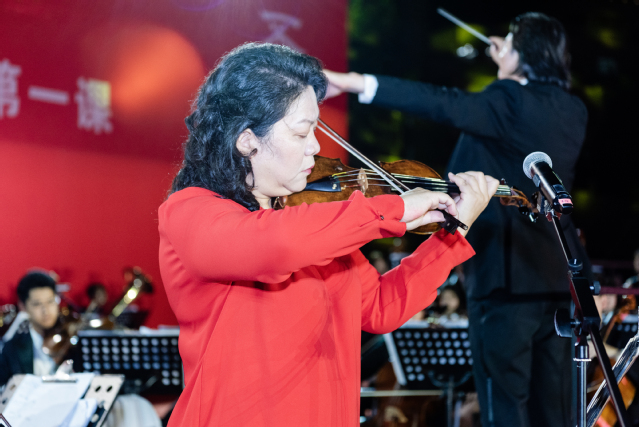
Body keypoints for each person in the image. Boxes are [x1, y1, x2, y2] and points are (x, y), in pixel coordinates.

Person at [158, 42, 498, 427]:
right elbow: (277, 245)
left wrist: (453, 233)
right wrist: (395, 209)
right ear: (247, 140)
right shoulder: (190, 213)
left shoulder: (316, 227)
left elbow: (381, 306)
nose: (316, 147)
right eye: (301, 133)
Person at [324, 12, 591, 427]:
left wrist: (353, 81)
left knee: (504, 409)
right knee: (554, 413)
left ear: (524, 52)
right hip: (556, 280)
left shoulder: (507, 101)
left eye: (510, 40)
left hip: (503, 281)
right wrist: (512, 60)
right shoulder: (573, 110)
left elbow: (443, 102)